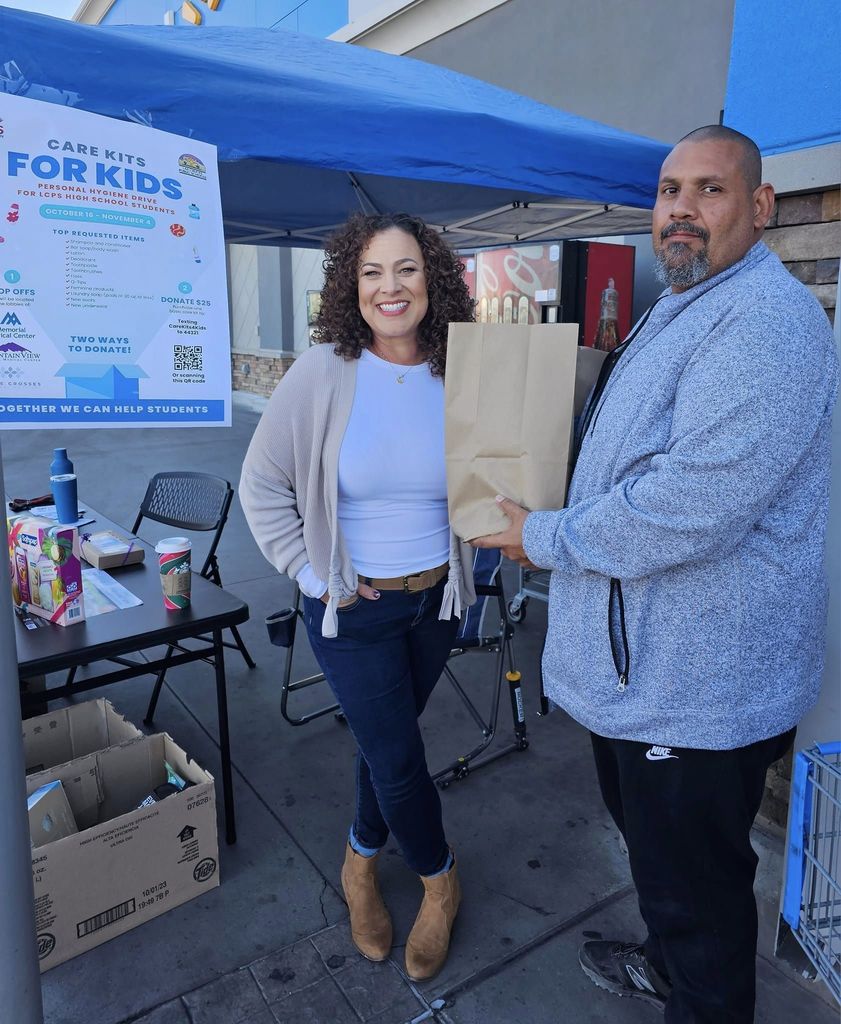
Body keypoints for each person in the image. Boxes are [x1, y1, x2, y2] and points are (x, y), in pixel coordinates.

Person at [473, 125, 838, 1022]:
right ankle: (671, 965)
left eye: (708, 191)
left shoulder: (764, 325)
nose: (679, 208)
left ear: (758, 208)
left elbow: (690, 506)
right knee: (665, 870)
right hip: (650, 678)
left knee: (698, 895)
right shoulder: (684, 302)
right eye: (668, 190)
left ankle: (696, 989)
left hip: (695, 691)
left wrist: (546, 536)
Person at [239, 212, 476, 981]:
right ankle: (440, 885)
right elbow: (261, 485)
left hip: (436, 601)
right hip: (353, 607)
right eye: (371, 272)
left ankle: (359, 859)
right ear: (350, 284)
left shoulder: (460, 369)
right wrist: (312, 577)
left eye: (405, 269)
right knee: (401, 761)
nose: (389, 287)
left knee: (388, 743)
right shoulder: (323, 371)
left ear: (432, 280)